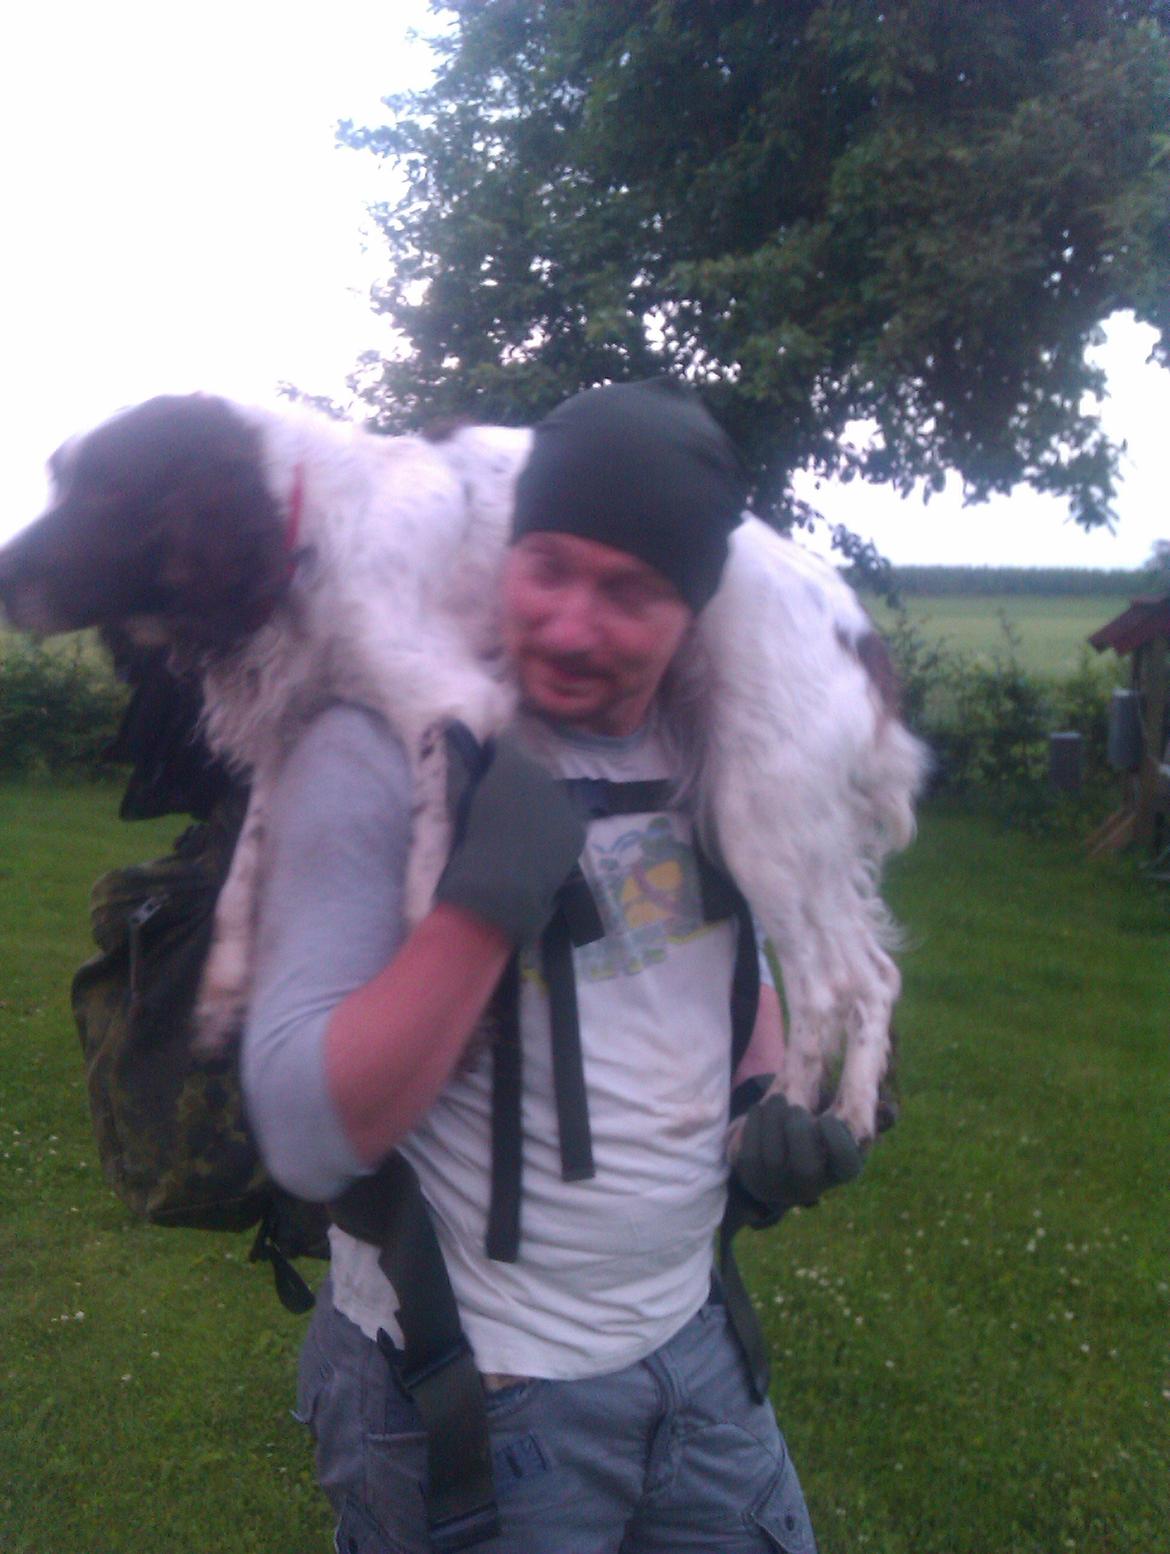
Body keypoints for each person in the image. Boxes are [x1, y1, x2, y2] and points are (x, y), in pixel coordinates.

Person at [241, 378, 863, 1553]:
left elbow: (720, 968)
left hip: (698, 1353)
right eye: (550, 568)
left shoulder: (710, 745)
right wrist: (481, 906)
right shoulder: (380, 746)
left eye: (630, 592)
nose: (574, 627)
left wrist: (765, 1110)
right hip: (474, 1395)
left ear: (695, 607)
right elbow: (304, 1130)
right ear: (507, 553)